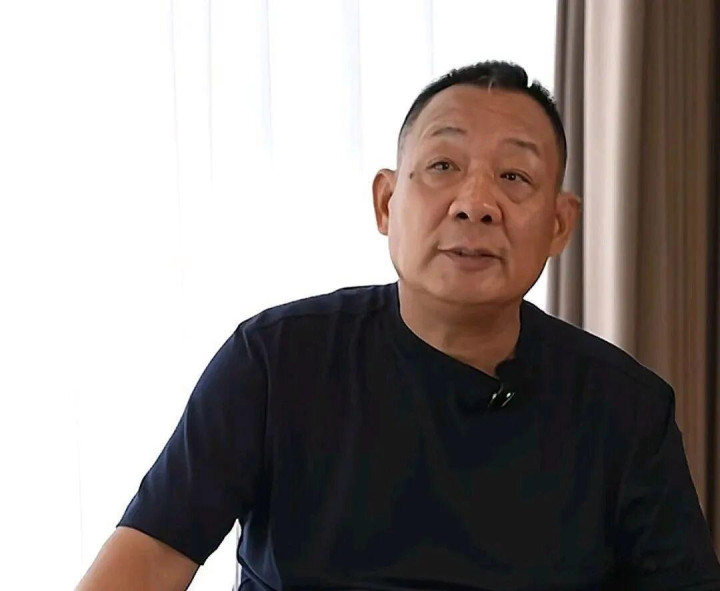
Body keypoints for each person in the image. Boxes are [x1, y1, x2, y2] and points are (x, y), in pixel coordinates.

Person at [76, 61, 720, 591]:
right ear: (387, 201)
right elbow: (148, 559)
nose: (475, 204)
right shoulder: (275, 360)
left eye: (514, 177)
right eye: (443, 167)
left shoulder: (625, 409)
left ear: (558, 224)